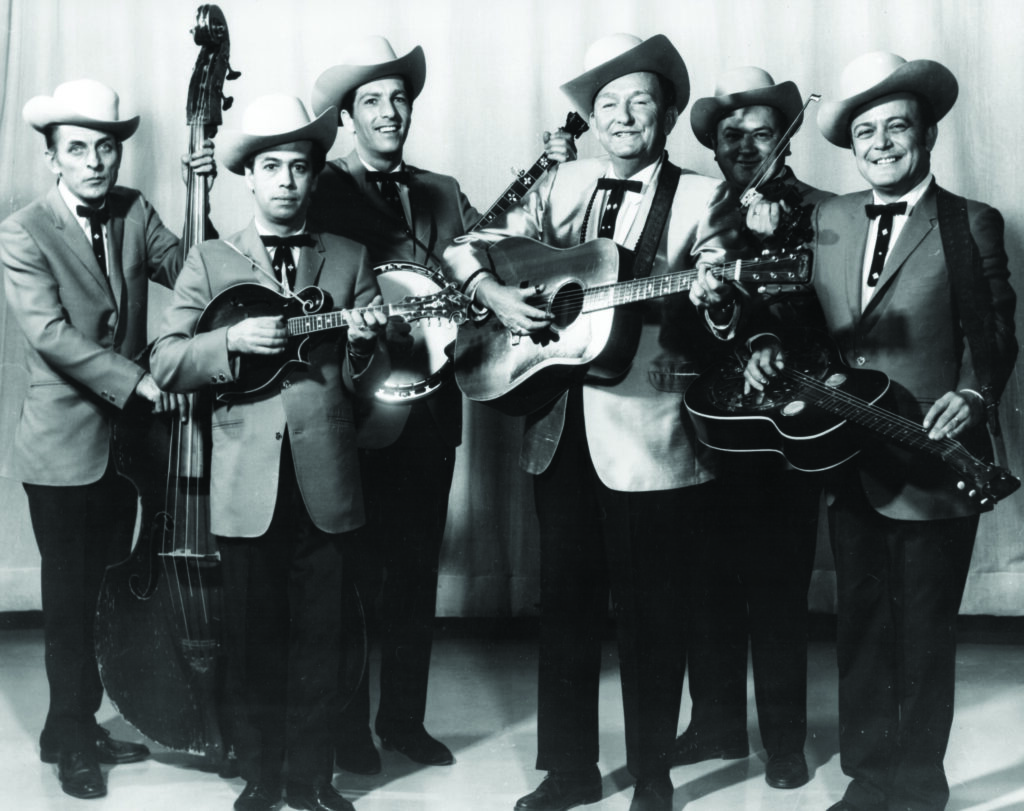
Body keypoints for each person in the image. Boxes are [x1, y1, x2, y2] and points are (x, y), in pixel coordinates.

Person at [444, 33, 740, 811]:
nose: (621, 116)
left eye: (639, 100)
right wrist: (496, 294)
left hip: (649, 434)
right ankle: (568, 770)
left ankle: (651, 775)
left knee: (652, 614)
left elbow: (725, 323)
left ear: (668, 113)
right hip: (556, 425)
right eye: (606, 103)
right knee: (565, 605)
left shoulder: (707, 198)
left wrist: (712, 301)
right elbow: (467, 244)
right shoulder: (565, 182)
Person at [730, 52, 1017, 811]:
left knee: (922, 630)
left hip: (933, 452)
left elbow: (994, 336)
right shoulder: (825, 217)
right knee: (860, 622)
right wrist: (763, 341)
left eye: (897, 126)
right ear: (851, 146)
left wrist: (974, 393)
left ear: (926, 133)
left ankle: (917, 788)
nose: (882, 142)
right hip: (849, 448)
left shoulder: (967, 221)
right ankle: (867, 778)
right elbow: (793, 319)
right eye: (866, 132)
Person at [308, 36, 575, 774]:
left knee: (414, 572)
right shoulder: (321, 187)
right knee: (353, 575)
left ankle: (402, 721)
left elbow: (474, 267)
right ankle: (346, 729)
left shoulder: (444, 190)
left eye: (398, 98)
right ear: (349, 116)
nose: (389, 111)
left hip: (430, 412)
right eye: (372, 101)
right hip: (355, 408)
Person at [150, 95, 389, 811]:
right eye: (271, 167)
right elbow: (163, 360)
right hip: (244, 485)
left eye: (300, 167)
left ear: (316, 177)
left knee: (323, 635)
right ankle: (260, 773)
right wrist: (230, 343)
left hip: (327, 478)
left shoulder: (349, 259)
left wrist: (368, 345)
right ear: (247, 177)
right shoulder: (210, 260)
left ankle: (313, 778)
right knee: (253, 635)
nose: (286, 180)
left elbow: (367, 384)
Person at [0, 78, 214, 800]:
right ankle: (71, 740)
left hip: (125, 448)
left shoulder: (131, 211)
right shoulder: (22, 231)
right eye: (78, 149)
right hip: (61, 449)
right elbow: (53, 336)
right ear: (52, 158)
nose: (96, 161)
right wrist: (139, 381)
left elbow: (193, 271)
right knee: (68, 599)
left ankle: (73, 727)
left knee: (106, 592)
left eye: (106, 147)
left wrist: (199, 199)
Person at [673, 67, 834, 789]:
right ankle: (712, 723)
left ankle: (786, 741)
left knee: (775, 587)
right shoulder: (696, 218)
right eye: (729, 136)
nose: (744, 145)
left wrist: (776, 287)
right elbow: (676, 328)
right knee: (705, 582)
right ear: (712, 148)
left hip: (782, 433)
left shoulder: (824, 213)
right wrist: (710, 298)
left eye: (762, 133)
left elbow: (835, 326)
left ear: (786, 142)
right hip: (704, 426)